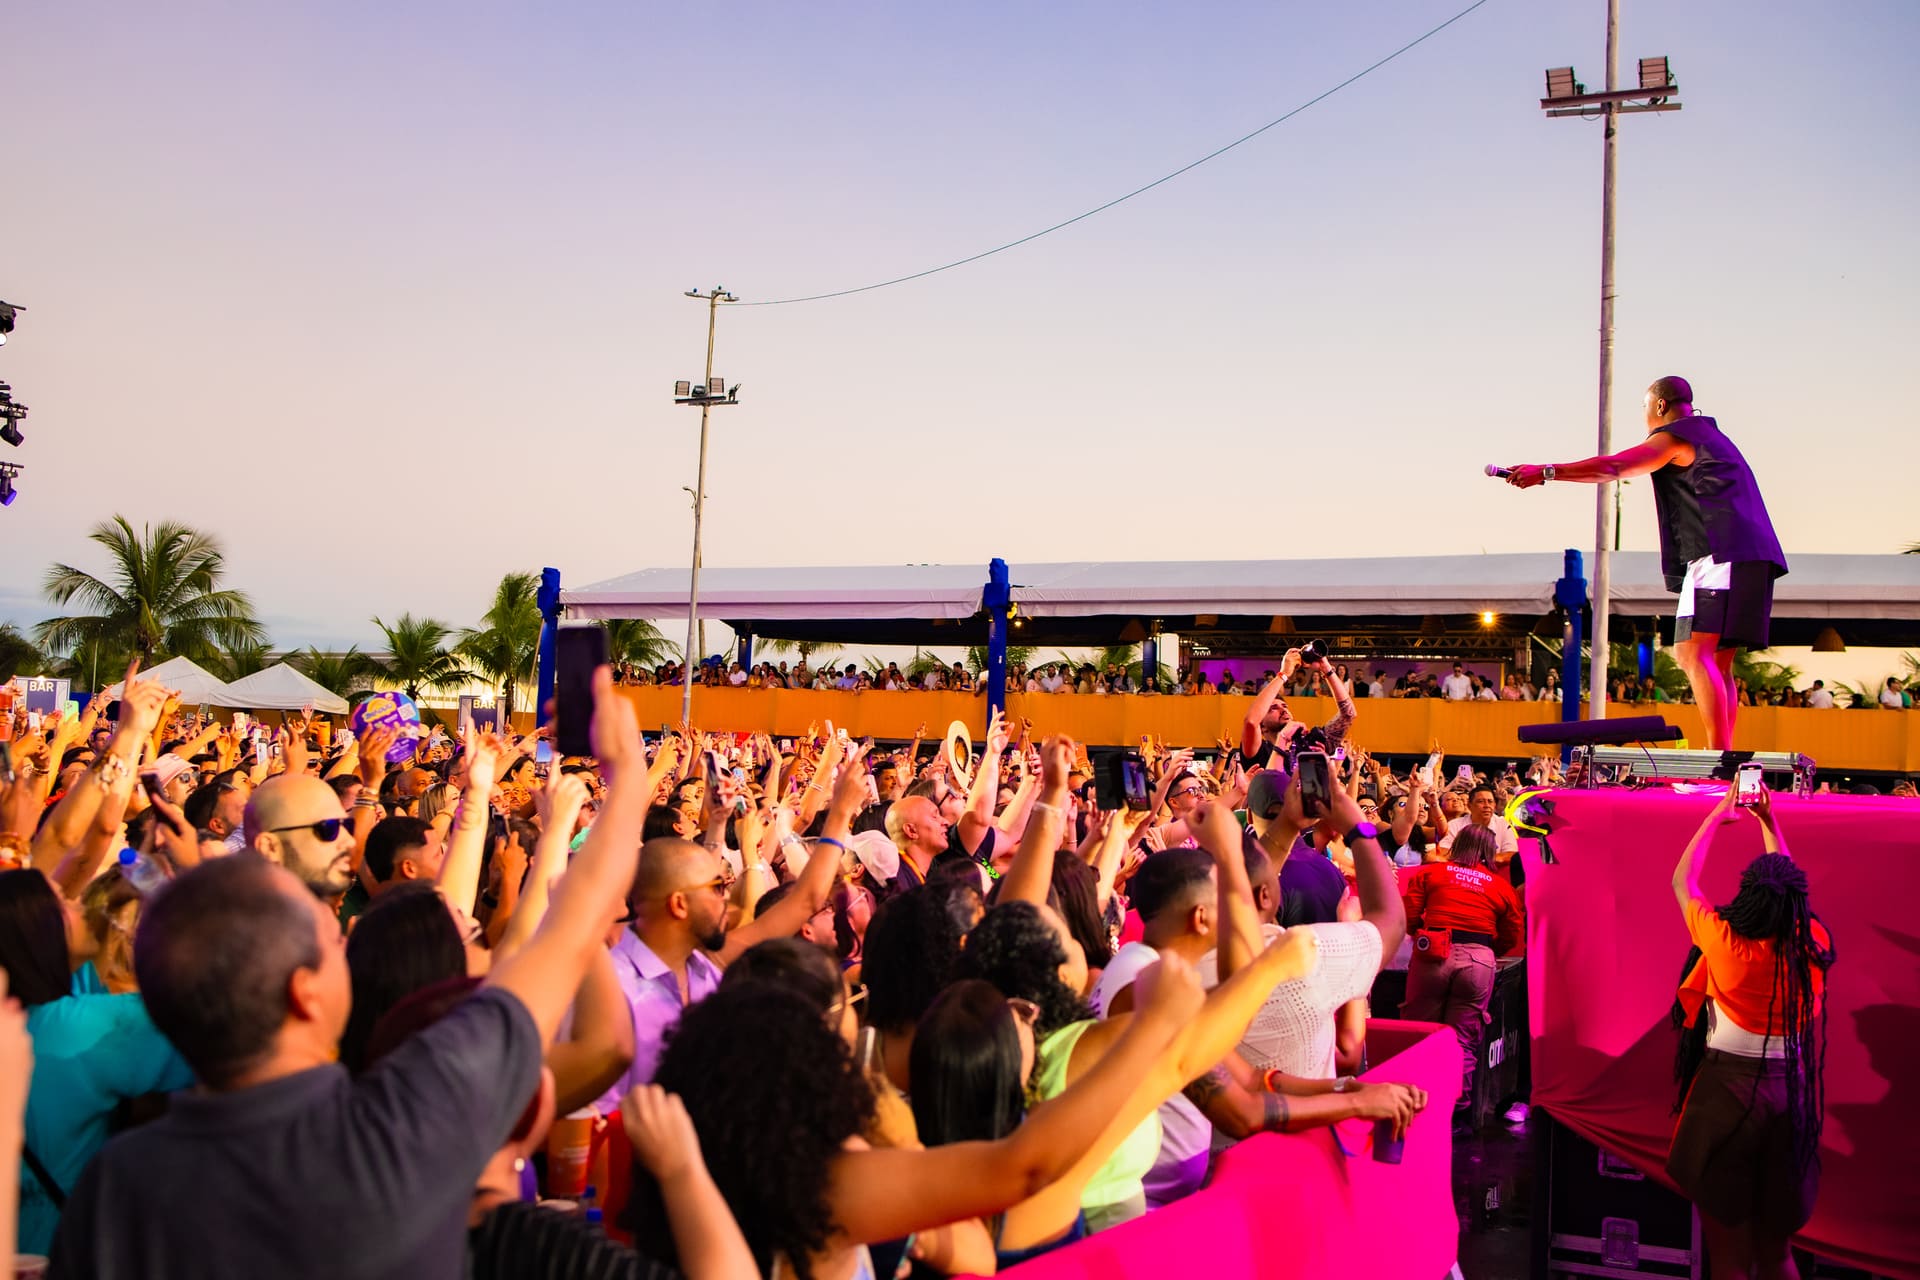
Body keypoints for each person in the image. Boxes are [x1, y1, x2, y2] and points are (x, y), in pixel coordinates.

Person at [47, 664, 651, 1279]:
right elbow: (568, 930)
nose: (349, 937)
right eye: (333, 945)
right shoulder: (396, 1125)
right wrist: (627, 776)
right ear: (304, 993)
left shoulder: (118, 1179)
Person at [1505, 375, 1788, 749]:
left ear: (1659, 405)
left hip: (1721, 551)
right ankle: (1724, 753)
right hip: (1749, 553)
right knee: (1717, 661)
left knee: (1692, 653)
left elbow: (1615, 467)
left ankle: (1720, 757)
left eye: (1644, 407)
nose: (1644, 416)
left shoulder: (1678, 436)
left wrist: (1546, 471)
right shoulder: (1712, 438)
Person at [1668, 786, 1833, 1280]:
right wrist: (1769, 820)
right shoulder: (1812, 942)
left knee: (1730, 1262)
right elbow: (1788, 882)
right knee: (1777, 1256)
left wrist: (1719, 814)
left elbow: (1682, 880)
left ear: (1747, 896)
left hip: (1726, 1097)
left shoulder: (1724, 939)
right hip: (1790, 1095)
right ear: (1797, 901)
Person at [0, 869, 195, 1257]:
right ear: (37, 931)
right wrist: (173, 891)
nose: (79, 905)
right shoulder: (77, 1027)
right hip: (65, 1246)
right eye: (63, 903)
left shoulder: (19, 1022)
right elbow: (204, 1008)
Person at [1401, 825, 1525, 1134]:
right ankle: (1456, 1115)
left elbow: (1410, 916)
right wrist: (1486, 952)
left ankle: (1415, 1107)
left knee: (1420, 1035)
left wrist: (1421, 935)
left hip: (1432, 955)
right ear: (1490, 852)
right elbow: (1512, 933)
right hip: (1478, 961)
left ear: (1457, 845)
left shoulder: (1431, 873)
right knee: (1463, 1042)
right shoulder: (1501, 887)